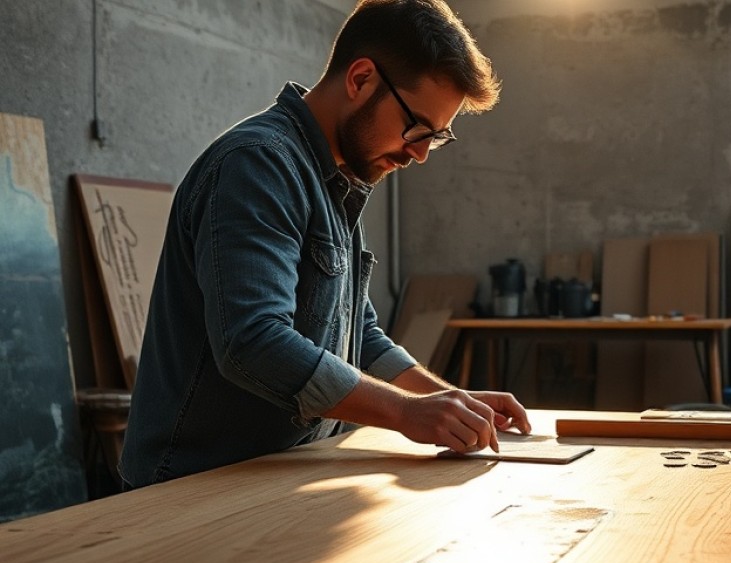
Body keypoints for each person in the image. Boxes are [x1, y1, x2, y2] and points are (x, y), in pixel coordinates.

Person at [120, 0, 528, 489]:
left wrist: (452, 402)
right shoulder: (258, 164)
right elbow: (252, 341)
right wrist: (405, 413)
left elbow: (360, 335)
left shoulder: (337, 180)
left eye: (437, 137)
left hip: (278, 476)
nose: (420, 154)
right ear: (360, 80)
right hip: (191, 486)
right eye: (417, 126)